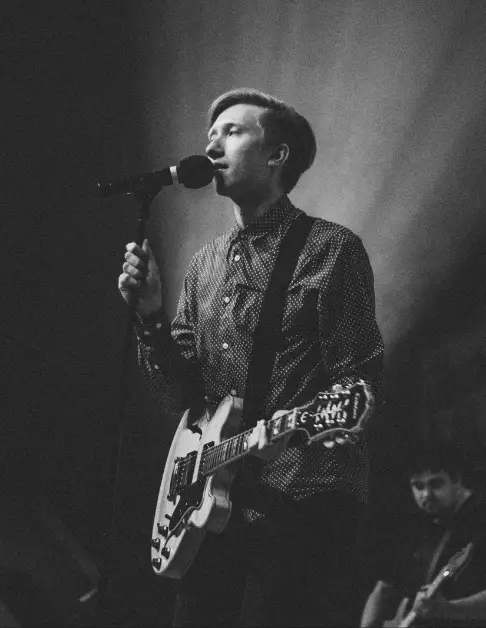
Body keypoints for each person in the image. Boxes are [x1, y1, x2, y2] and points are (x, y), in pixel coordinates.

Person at [118, 87, 384, 626]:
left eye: (232, 132)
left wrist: (305, 427)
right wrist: (150, 318)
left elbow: (357, 381)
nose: (212, 144)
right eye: (209, 135)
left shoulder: (332, 250)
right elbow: (179, 396)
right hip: (211, 505)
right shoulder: (205, 264)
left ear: (277, 155)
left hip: (304, 500)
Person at [360, 450, 486, 627]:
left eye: (435, 484)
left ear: (456, 481)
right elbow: (383, 588)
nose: (426, 494)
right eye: (418, 486)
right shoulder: (420, 522)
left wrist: (446, 609)